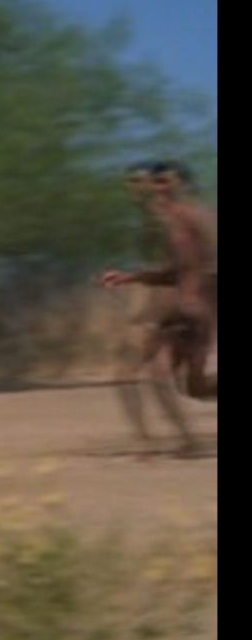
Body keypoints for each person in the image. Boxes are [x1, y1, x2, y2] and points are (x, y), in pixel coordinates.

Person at [102, 160, 217, 455]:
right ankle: (181, 442)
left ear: (182, 184)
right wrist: (132, 278)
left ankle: (167, 442)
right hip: (184, 307)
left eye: (162, 181)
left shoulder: (190, 217)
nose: (155, 188)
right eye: (153, 182)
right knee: (189, 384)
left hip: (190, 308)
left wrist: (195, 300)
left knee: (151, 375)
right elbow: (175, 269)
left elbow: (194, 266)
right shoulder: (168, 219)